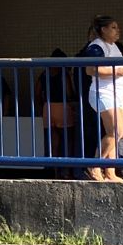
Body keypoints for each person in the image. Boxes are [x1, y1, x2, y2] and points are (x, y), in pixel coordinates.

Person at [77, 16, 123, 183]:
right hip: (103, 93)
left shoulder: (114, 46)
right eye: (114, 27)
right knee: (115, 131)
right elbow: (92, 69)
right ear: (103, 30)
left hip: (116, 94)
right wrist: (119, 72)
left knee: (118, 133)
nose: (118, 31)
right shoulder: (97, 46)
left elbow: (119, 68)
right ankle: (94, 166)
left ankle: (110, 172)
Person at [35, 48, 78, 179]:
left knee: (54, 142)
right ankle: (66, 171)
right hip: (62, 106)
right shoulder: (64, 73)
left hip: (47, 107)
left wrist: (41, 106)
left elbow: (37, 92)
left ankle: (54, 171)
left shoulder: (44, 73)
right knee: (68, 140)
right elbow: (69, 92)